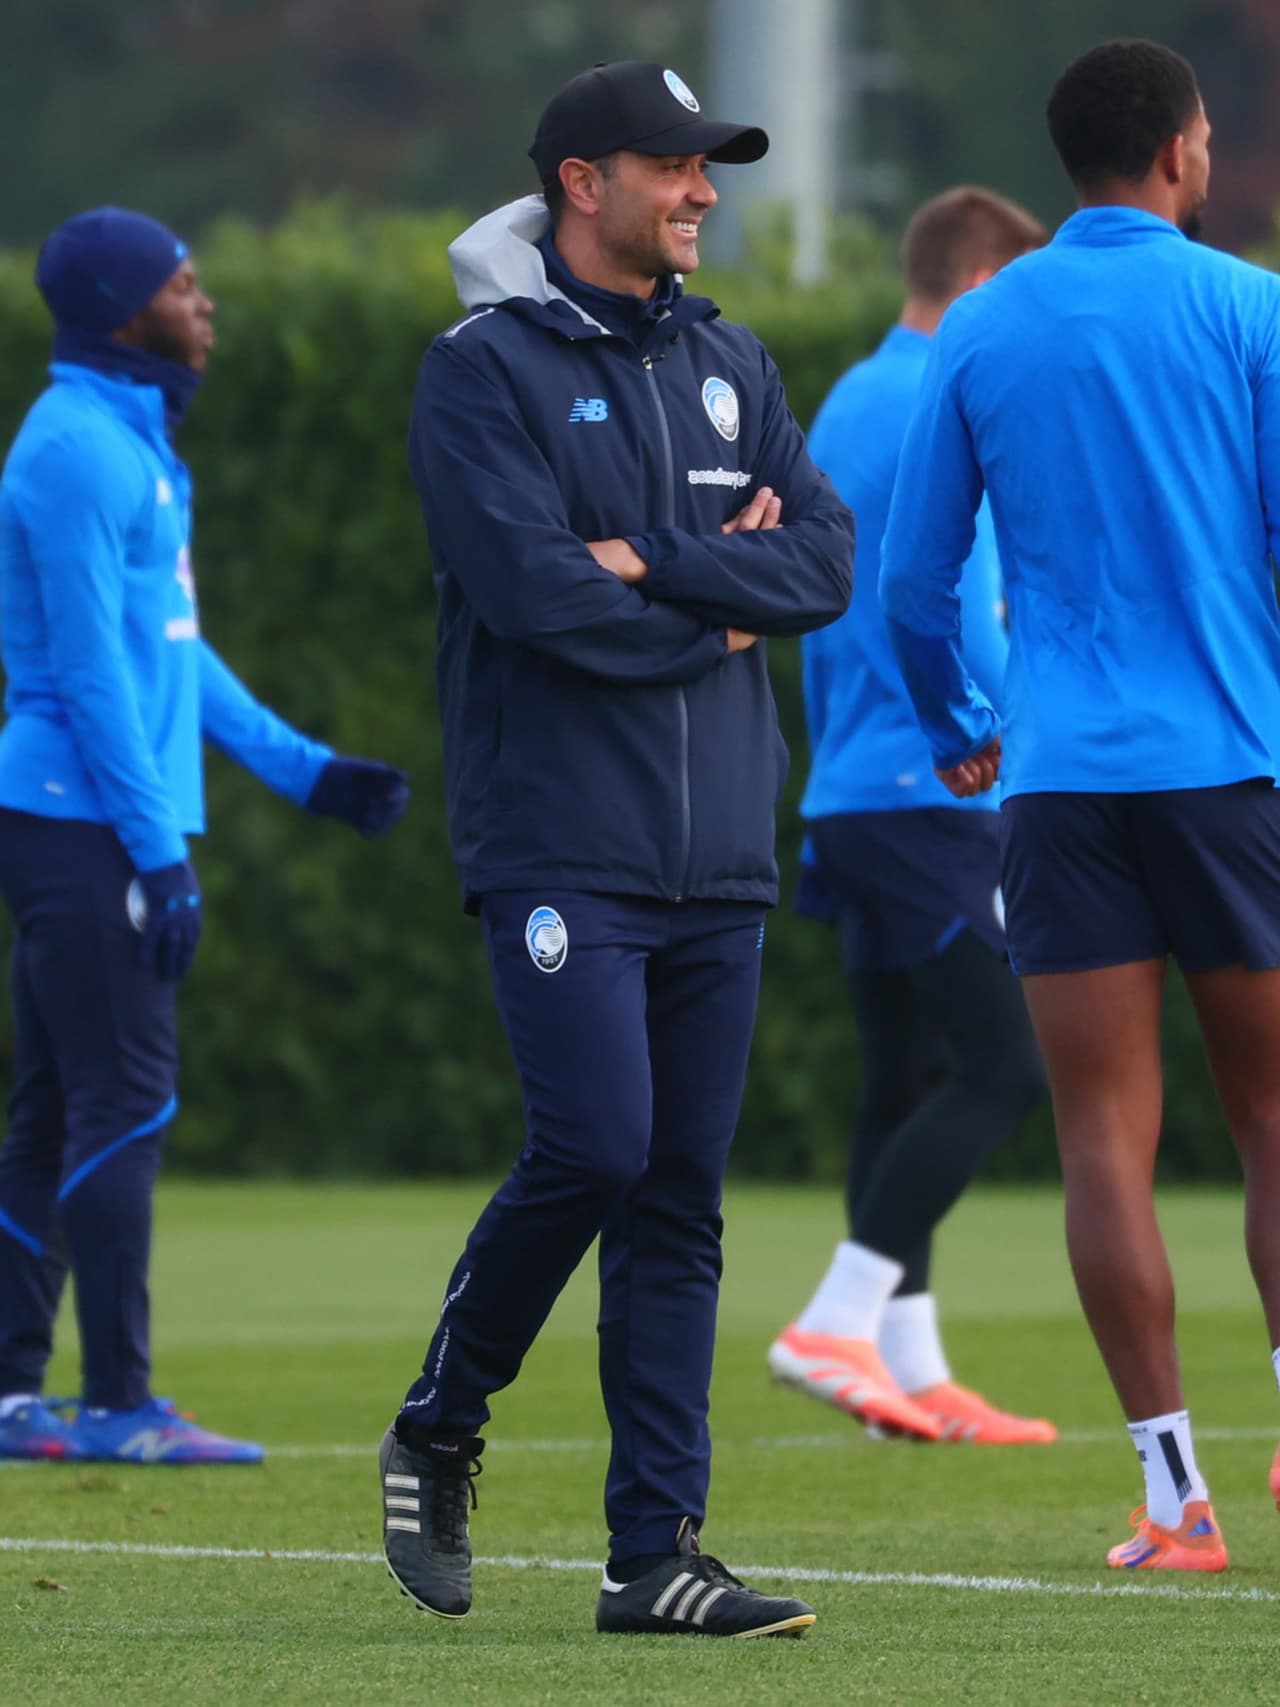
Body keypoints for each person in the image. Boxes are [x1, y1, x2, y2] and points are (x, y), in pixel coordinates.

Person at [383, 61, 852, 1637]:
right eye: (675, 165)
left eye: (710, 165)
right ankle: (442, 1416)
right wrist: (720, 604)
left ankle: (653, 1553)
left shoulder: (733, 358)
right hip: (560, 843)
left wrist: (656, 562)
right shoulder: (479, 372)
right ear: (584, 183)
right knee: (594, 1145)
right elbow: (536, 598)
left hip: (718, 855)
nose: (704, 189)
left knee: (679, 1195)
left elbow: (827, 562)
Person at [880, 37, 1280, 1571]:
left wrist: (955, 725)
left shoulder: (983, 325)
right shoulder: (1249, 308)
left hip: (1058, 786)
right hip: (1233, 769)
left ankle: (1177, 1501)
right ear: (1179, 151)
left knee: (1103, 1136)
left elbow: (912, 581)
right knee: (1272, 1119)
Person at [0, 207, 409, 1465]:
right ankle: (119, 1405)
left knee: (55, 1109)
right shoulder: (78, 450)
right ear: (124, 311)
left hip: (88, 820)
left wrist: (306, 772)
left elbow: (172, 652)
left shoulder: (135, 443)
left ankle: (12, 1398)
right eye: (183, 285)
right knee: (125, 1104)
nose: (206, 303)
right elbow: (88, 679)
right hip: (80, 822)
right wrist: (155, 851)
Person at [766, 188, 1054, 1447]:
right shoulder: (944, 394)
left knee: (908, 1073)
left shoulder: (853, 395)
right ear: (983, 289)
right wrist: (1021, 732)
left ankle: (908, 1366)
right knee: (1007, 1066)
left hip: (857, 788)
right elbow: (953, 613)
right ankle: (834, 1320)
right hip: (929, 789)